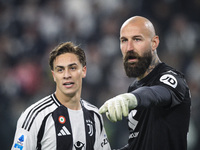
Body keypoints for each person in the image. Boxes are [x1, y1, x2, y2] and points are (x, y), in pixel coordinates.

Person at [99, 16, 191, 150]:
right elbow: (138, 144)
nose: (129, 48)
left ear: (154, 43)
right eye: (124, 40)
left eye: (137, 39)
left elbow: (155, 93)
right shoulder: (134, 87)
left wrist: (131, 98)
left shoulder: (173, 79)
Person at [11, 42, 111, 150]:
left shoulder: (94, 115)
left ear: (83, 71)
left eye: (72, 68)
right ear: (54, 76)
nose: (66, 75)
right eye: (60, 70)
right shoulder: (36, 116)